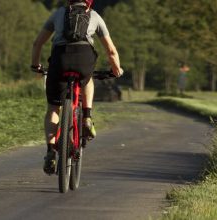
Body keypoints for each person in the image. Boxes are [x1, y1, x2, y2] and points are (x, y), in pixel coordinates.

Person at [31, 0, 123, 174]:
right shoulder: (95, 16)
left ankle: (51, 150)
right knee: (87, 79)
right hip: (84, 59)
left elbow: (38, 43)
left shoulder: (58, 14)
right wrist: (116, 69)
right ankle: (87, 116)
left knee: (53, 107)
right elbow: (111, 51)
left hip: (60, 59)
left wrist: (35, 65)